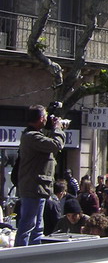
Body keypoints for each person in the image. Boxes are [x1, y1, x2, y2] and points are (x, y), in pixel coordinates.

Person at [14, 105, 66, 246]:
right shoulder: (32, 137)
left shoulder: (34, 136)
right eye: (45, 116)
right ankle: (19, 258)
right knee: (28, 225)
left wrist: (55, 128)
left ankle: (32, 257)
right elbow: (56, 145)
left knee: (37, 228)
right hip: (33, 188)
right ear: (41, 118)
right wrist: (57, 128)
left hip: (38, 188)